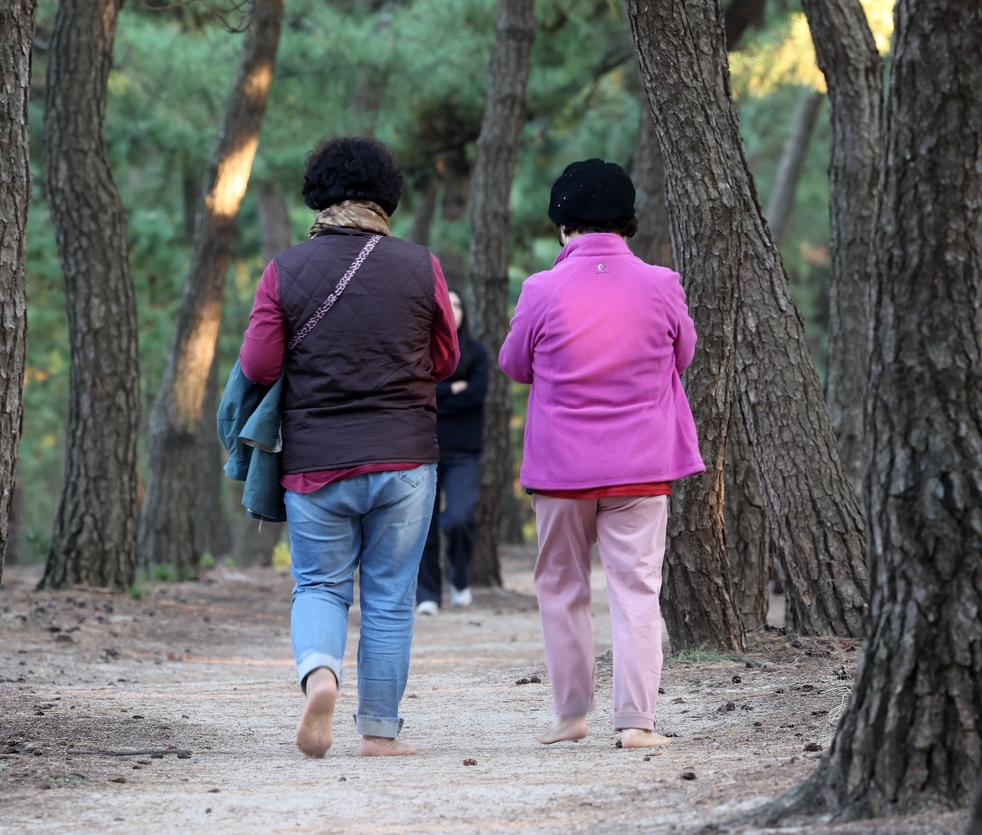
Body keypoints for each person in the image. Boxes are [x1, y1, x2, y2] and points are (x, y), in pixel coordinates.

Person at [238, 136, 459, 758]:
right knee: (390, 597)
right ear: (387, 196)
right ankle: (380, 735)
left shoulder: (285, 269)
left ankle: (322, 677)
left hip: (316, 463)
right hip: (405, 456)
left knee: (318, 586)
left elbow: (258, 364)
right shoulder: (422, 265)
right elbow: (446, 358)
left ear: (317, 195)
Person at [498, 158, 704, 751]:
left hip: (563, 469)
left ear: (563, 227)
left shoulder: (540, 289)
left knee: (562, 586)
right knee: (637, 588)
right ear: (626, 223)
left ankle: (570, 715)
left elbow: (515, 366)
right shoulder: (662, 283)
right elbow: (682, 355)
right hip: (643, 466)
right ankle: (637, 723)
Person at [415, 288, 488, 615]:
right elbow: (419, 395)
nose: (453, 309)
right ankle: (428, 593)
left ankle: (460, 577)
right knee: (423, 524)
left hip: (464, 451)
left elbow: (476, 395)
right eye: (449, 304)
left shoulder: (478, 352)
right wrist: (452, 388)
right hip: (424, 448)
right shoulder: (422, 352)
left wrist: (439, 395)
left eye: (459, 304)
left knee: (458, 518)